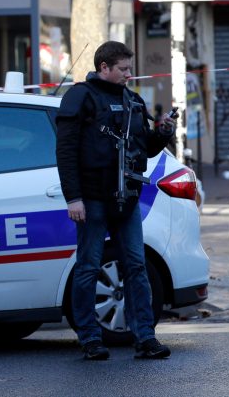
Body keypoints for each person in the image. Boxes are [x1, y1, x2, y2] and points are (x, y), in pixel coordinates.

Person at [55, 41, 176, 361]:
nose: (129, 74)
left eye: (129, 68)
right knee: (88, 267)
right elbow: (65, 153)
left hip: (127, 198)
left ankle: (145, 337)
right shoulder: (80, 98)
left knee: (136, 267)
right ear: (103, 67)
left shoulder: (132, 100)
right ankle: (90, 338)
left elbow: (144, 148)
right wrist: (74, 198)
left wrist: (162, 133)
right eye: (123, 69)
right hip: (92, 198)